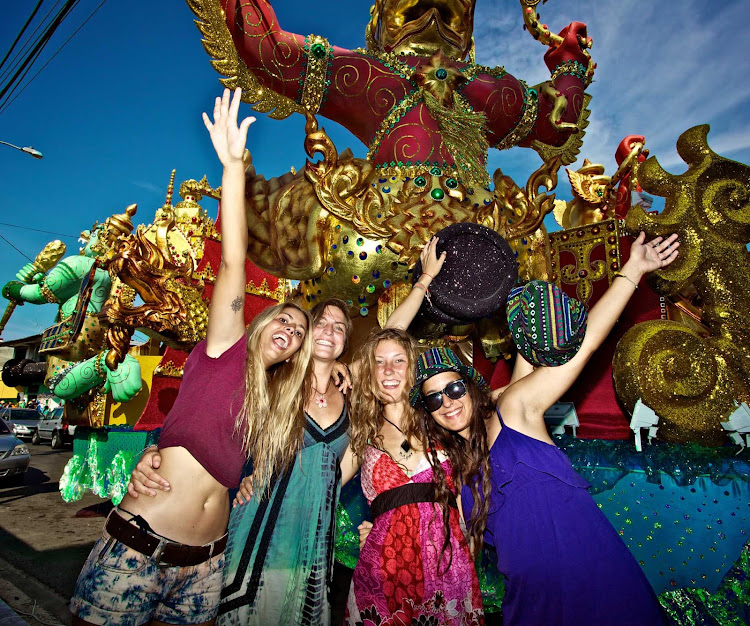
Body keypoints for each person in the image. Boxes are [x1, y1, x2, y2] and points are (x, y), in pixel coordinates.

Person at [70, 87, 313, 626]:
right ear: (260, 321)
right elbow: (232, 256)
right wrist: (231, 168)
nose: (290, 329)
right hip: (140, 551)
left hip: (206, 569)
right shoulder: (225, 346)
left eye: (299, 332)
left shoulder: (272, 405)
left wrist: (244, 477)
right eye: (284, 318)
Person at [413, 232, 679, 626]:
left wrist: (632, 270)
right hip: (531, 604)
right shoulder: (457, 470)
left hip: (595, 586)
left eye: (452, 388)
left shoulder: (513, 410)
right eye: (433, 399)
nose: (446, 402)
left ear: (470, 387)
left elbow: (581, 348)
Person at [131, 297, 355, 625]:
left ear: (346, 341)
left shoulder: (352, 394)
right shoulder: (274, 381)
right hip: (258, 522)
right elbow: (208, 417)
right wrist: (153, 453)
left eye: (339, 328)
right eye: (320, 323)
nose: (329, 332)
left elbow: (392, 342)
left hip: (311, 540)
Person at [344, 239, 484, 625]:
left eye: (399, 362)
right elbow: (319, 483)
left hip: (448, 568)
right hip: (384, 574)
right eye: (379, 364)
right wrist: (258, 480)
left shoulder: (441, 419)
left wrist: (470, 548)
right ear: (367, 374)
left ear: (412, 370)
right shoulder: (361, 434)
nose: (389, 370)